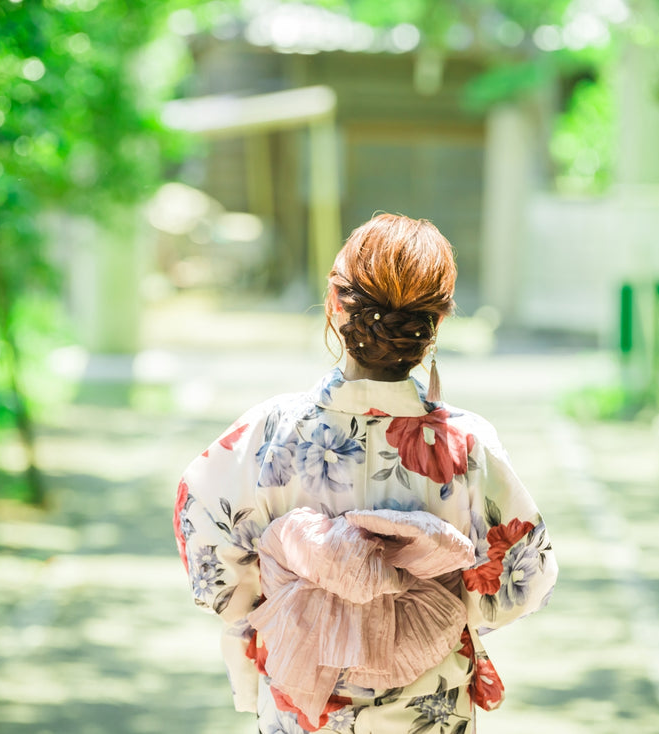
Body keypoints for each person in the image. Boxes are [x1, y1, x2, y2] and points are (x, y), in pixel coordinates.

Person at [173, 213, 558, 734]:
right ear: (436, 323)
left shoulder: (267, 434)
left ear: (335, 307)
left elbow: (211, 564)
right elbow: (523, 582)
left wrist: (277, 606)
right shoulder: (467, 446)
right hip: (429, 700)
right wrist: (438, 608)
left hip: (303, 703)